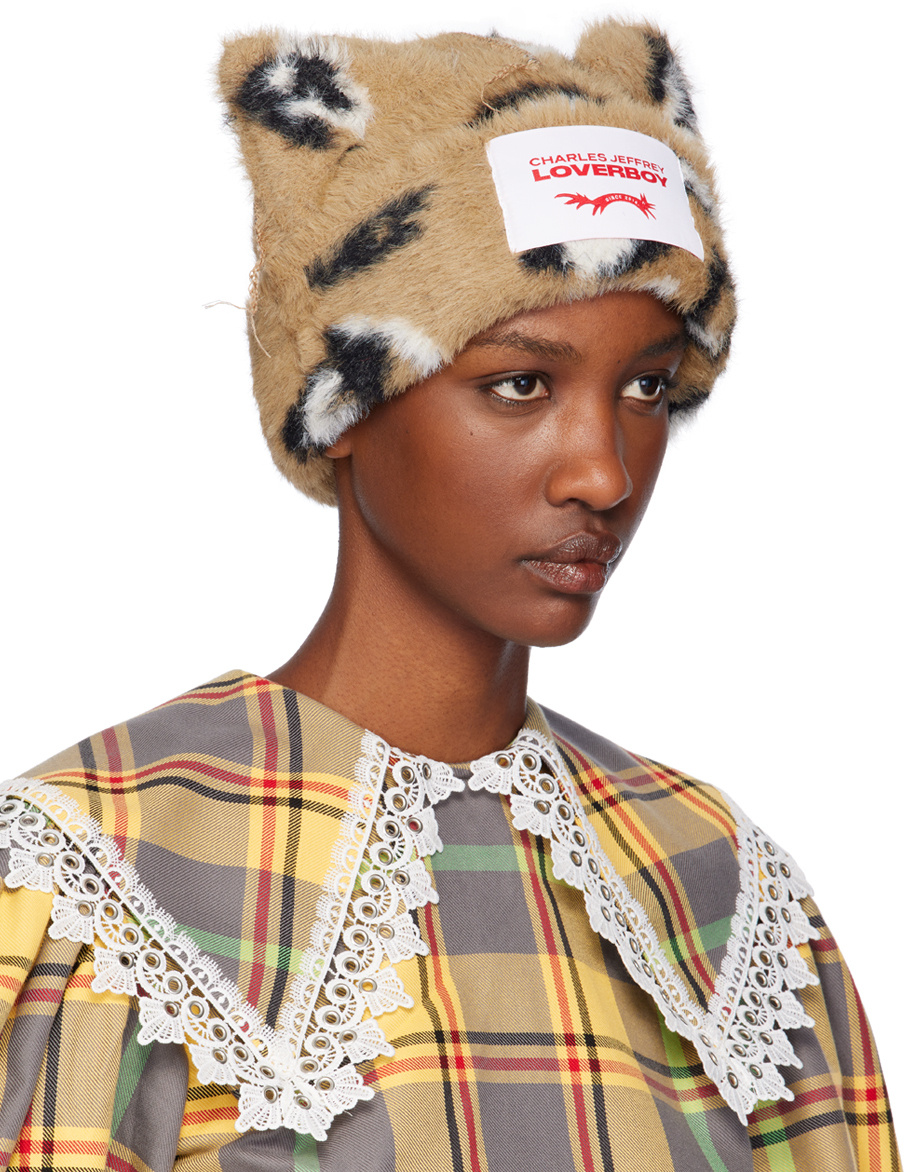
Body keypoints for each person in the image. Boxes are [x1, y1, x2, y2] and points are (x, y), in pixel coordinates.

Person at [0, 20, 897, 1172]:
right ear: (342, 403)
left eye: (645, 388)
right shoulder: (103, 868)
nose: (604, 472)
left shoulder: (724, 889)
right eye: (518, 383)